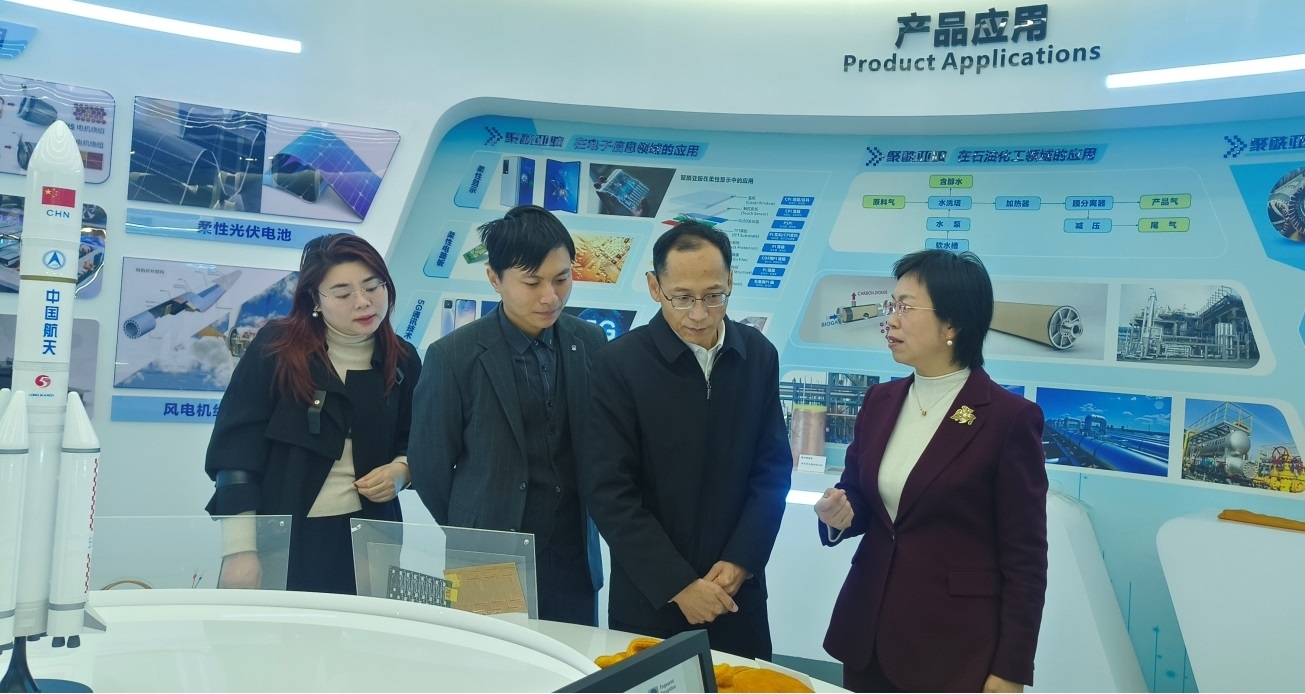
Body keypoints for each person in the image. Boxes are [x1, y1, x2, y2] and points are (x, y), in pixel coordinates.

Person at [814, 249, 1048, 692]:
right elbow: (860, 495)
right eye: (891, 305)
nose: (890, 320)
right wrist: (838, 514)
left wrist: (1011, 669)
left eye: (905, 307)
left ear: (952, 325)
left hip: (953, 650)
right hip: (868, 634)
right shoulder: (880, 401)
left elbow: (1026, 558)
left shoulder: (1008, 419)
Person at [581, 221, 792, 660]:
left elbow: (771, 471)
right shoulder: (619, 365)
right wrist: (678, 585)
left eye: (713, 295)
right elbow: (609, 491)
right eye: (682, 298)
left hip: (737, 595)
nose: (698, 314)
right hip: (652, 599)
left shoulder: (758, 355)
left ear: (730, 281)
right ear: (654, 287)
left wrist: (741, 561)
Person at [408, 205, 607, 626]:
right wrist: (473, 527)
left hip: (572, 554)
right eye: (532, 282)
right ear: (494, 278)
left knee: (572, 661)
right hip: (485, 556)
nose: (551, 297)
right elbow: (429, 467)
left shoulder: (589, 341)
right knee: (490, 661)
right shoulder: (453, 356)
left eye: (562, 279)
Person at [204, 233, 421, 594]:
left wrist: (402, 471)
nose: (363, 302)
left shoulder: (403, 359)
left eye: (373, 287)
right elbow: (236, 455)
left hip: (370, 538)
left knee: (363, 630)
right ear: (314, 300)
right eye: (343, 294)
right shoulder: (276, 349)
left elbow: (417, 441)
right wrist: (239, 551)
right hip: (283, 536)